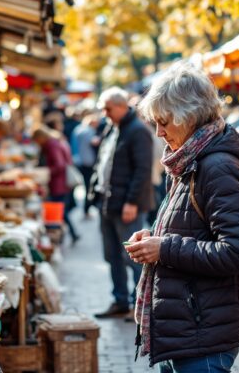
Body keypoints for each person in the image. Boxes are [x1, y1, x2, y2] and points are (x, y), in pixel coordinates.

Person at [127, 62, 239, 371]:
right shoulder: (190, 159)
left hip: (204, 332)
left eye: (163, 122)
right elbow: (192, 226)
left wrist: (164, 248)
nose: (159, 132)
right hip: (189, 328)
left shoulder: (216, 168)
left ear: (189, 115)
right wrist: (154, 239)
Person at [89, 87, 153, 318]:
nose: (105, 113)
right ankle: (120, 301)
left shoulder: (138, 131)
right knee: (112, 255)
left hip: (126, 205)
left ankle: (141, 305)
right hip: (107, 202)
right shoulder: (112, 128)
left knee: (134, 256)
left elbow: (143, 170)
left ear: (122, 106)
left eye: (108, 109)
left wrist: (132, 202)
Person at [32, 126, 79, 243]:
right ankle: (70, 234)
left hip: (59, 184)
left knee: (60, 211)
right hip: (59, 183)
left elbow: (59, 165)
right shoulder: (52, 143)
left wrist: (45, 172)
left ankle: (68, 235)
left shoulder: (52, 145)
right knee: (61, 211)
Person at [71, 114, 99, 217]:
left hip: (79, 160)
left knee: (86, 185)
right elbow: (95, 142)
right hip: (87, 162)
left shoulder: (78, 129)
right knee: (88, 187)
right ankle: (87, 209)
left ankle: (86, 209)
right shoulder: (88, 131)